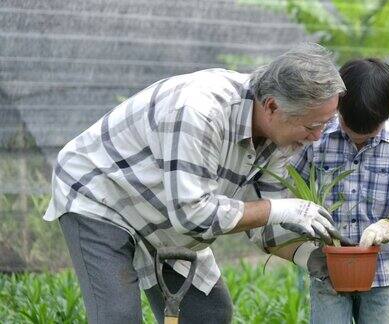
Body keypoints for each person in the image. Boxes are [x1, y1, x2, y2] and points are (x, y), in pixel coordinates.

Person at [42, 43, 346, 323]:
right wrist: (278, 210)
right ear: (271, 106)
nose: (317, 136)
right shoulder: (199, 111)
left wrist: (311, 257)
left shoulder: (281, 137)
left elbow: (265, 219)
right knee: (118, 316)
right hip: (104, 195)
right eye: (312, 126)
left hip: (166, 211)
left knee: (208, 312)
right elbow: (194, 215)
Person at [267, 58, 389, 324]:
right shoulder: (316, 138)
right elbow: (285, 182)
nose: (356, 136)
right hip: (328, 267)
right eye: (347, 124)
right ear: (338, 103)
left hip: (383, 272)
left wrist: (388, 227)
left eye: (368, 132)